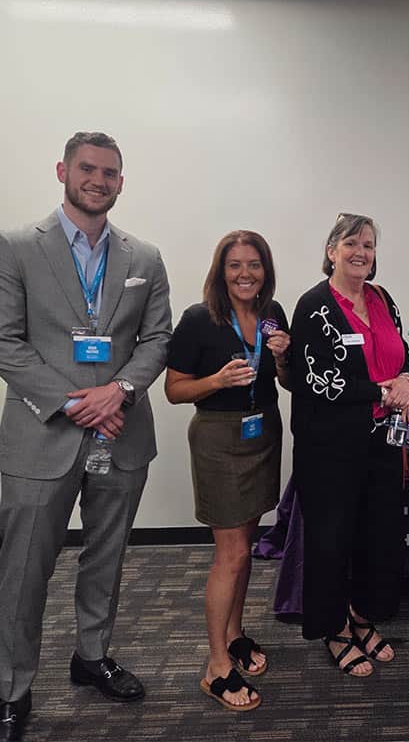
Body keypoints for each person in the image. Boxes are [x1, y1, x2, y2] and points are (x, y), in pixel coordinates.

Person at [0, 132, 172, 740]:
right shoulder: (17, 247)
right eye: (87, 169)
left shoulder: (143, 258)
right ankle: (11, 687)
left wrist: (118, 393)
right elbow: (7, 343)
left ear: (121, 182)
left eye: (110, 172)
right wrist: (81, 403)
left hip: (121, 436)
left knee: (107, 555)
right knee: (23, 569)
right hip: (41, 435)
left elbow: (156, 340)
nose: (98, 180)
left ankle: (91, 656)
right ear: (63, 172)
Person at [164, 231, 290, 711]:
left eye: (254, 265)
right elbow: (174, 390)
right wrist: (216, 380)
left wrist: (281, 356)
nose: (245, 274)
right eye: (235, 265)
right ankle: (216, 665)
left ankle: (235, 635)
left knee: (247, 542)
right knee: (232, 554)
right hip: (219, 438)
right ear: (221, 270)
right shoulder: (200, 319)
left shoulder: (272, 314)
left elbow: (289, 381)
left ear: (265, 270)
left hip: (263, 434)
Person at [290, 213, 409, 677]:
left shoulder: (382, 298)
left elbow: (400, 352)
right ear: (331, 251)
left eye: (369, 245)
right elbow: (314, 380)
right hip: (330, 448)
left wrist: (403, 378)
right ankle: (334, 628)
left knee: (374, 535)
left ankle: (361, 616)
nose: (361, 252)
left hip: (381, 442)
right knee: (330, 539)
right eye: (351, 243)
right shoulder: (314, 305)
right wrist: (383, 391)